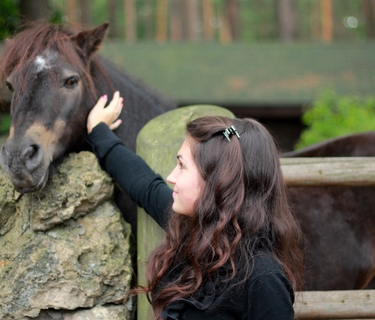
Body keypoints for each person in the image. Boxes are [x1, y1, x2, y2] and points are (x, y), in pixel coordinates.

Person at [85, 92, 304, 320]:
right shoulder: (192, 228)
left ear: (217, 182)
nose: (171, 177)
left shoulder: (263, 280)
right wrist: (99, 131)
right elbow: (144, 184)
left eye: (182, 165)